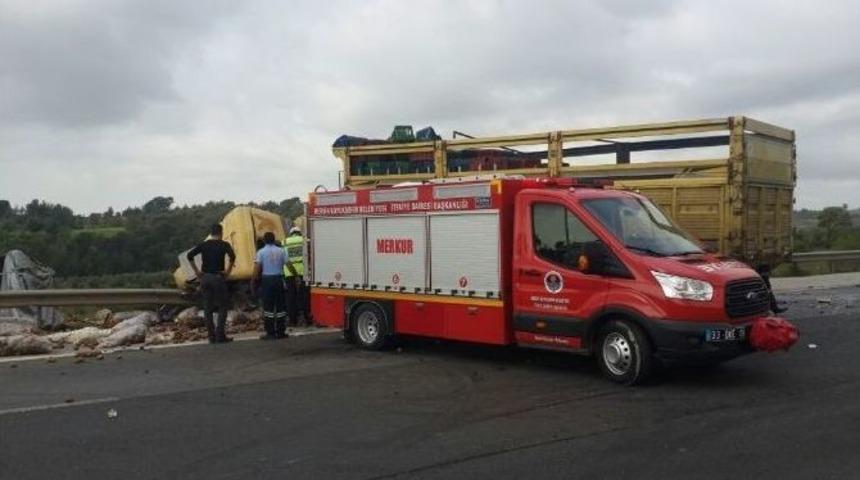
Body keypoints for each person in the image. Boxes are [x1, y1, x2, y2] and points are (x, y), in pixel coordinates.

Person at [187, 224, 236, 344]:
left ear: (211, 233)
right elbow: (232, 257)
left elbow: (189, 255)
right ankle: (220, 335)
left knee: (207, 308)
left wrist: (197, 271)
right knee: (222, 306)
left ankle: (211, 336)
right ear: (221, 232)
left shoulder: (204, 245)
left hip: (205, 278)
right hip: (218, 278)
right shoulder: (224, 244)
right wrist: (228, 271)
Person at [251, 232, 288, 340]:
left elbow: (257, 267)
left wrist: (253, 280)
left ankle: (270, 333)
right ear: (274, 239)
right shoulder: (282, 250)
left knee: (268, 307)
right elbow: (288, 264)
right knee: (280, 306)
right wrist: (295, 275)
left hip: (267, 280)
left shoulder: (261, 252)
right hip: (279, 279)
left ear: (264, 241)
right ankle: (281, 332)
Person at [283, 226, 310, 327]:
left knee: (291, 297)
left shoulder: (284, 242)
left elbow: (284, 257)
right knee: (304, 296)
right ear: (299, 233)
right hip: (303, 271)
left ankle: (292, 320)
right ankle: (307, 318)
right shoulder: (304, 240)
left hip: (289, 272)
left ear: (291, 234)